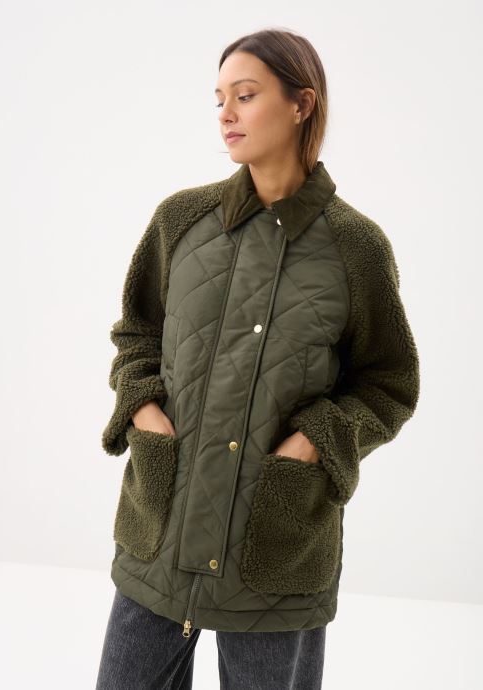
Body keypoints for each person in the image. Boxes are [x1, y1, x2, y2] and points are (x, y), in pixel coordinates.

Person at [96, 28, 420, 690]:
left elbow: (389, 383)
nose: (226, 113)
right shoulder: (181, 221)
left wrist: (315, 441)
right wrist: (144, 410)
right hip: (162, 529)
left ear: (301, 104)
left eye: (245, 95)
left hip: (276, 545)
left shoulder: (356, 247)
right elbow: (137, 333)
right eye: (219, 98)